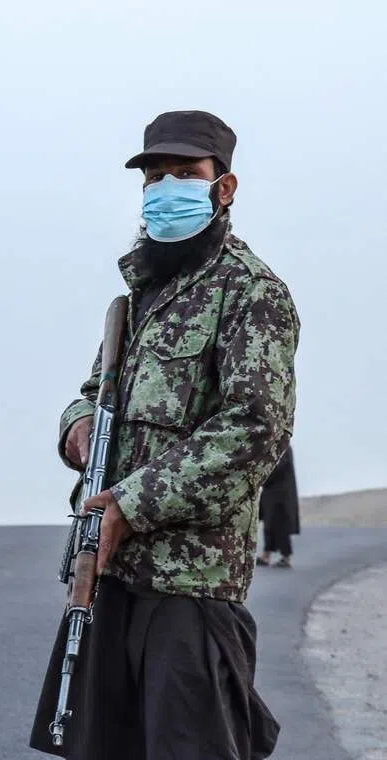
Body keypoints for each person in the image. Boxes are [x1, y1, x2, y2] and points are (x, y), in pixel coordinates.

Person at [28, 110, 299, 759]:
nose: (165, 188)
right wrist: (78, 427)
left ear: (223, 187)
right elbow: (92, 393)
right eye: (155, 175)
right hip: (108, 576)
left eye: (185, 173)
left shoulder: (250, 293)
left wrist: (133, 502)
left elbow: (254, 428)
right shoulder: (141, 297)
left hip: (191, 589)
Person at [257, 445, 300, 568]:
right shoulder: (277, 444)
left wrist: (262, 475)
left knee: (280, 526)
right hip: (272, 492)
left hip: (280, 494)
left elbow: (278, 467)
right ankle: (266, 555)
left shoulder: (283, 446)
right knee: (269, 524)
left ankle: (286, 557)